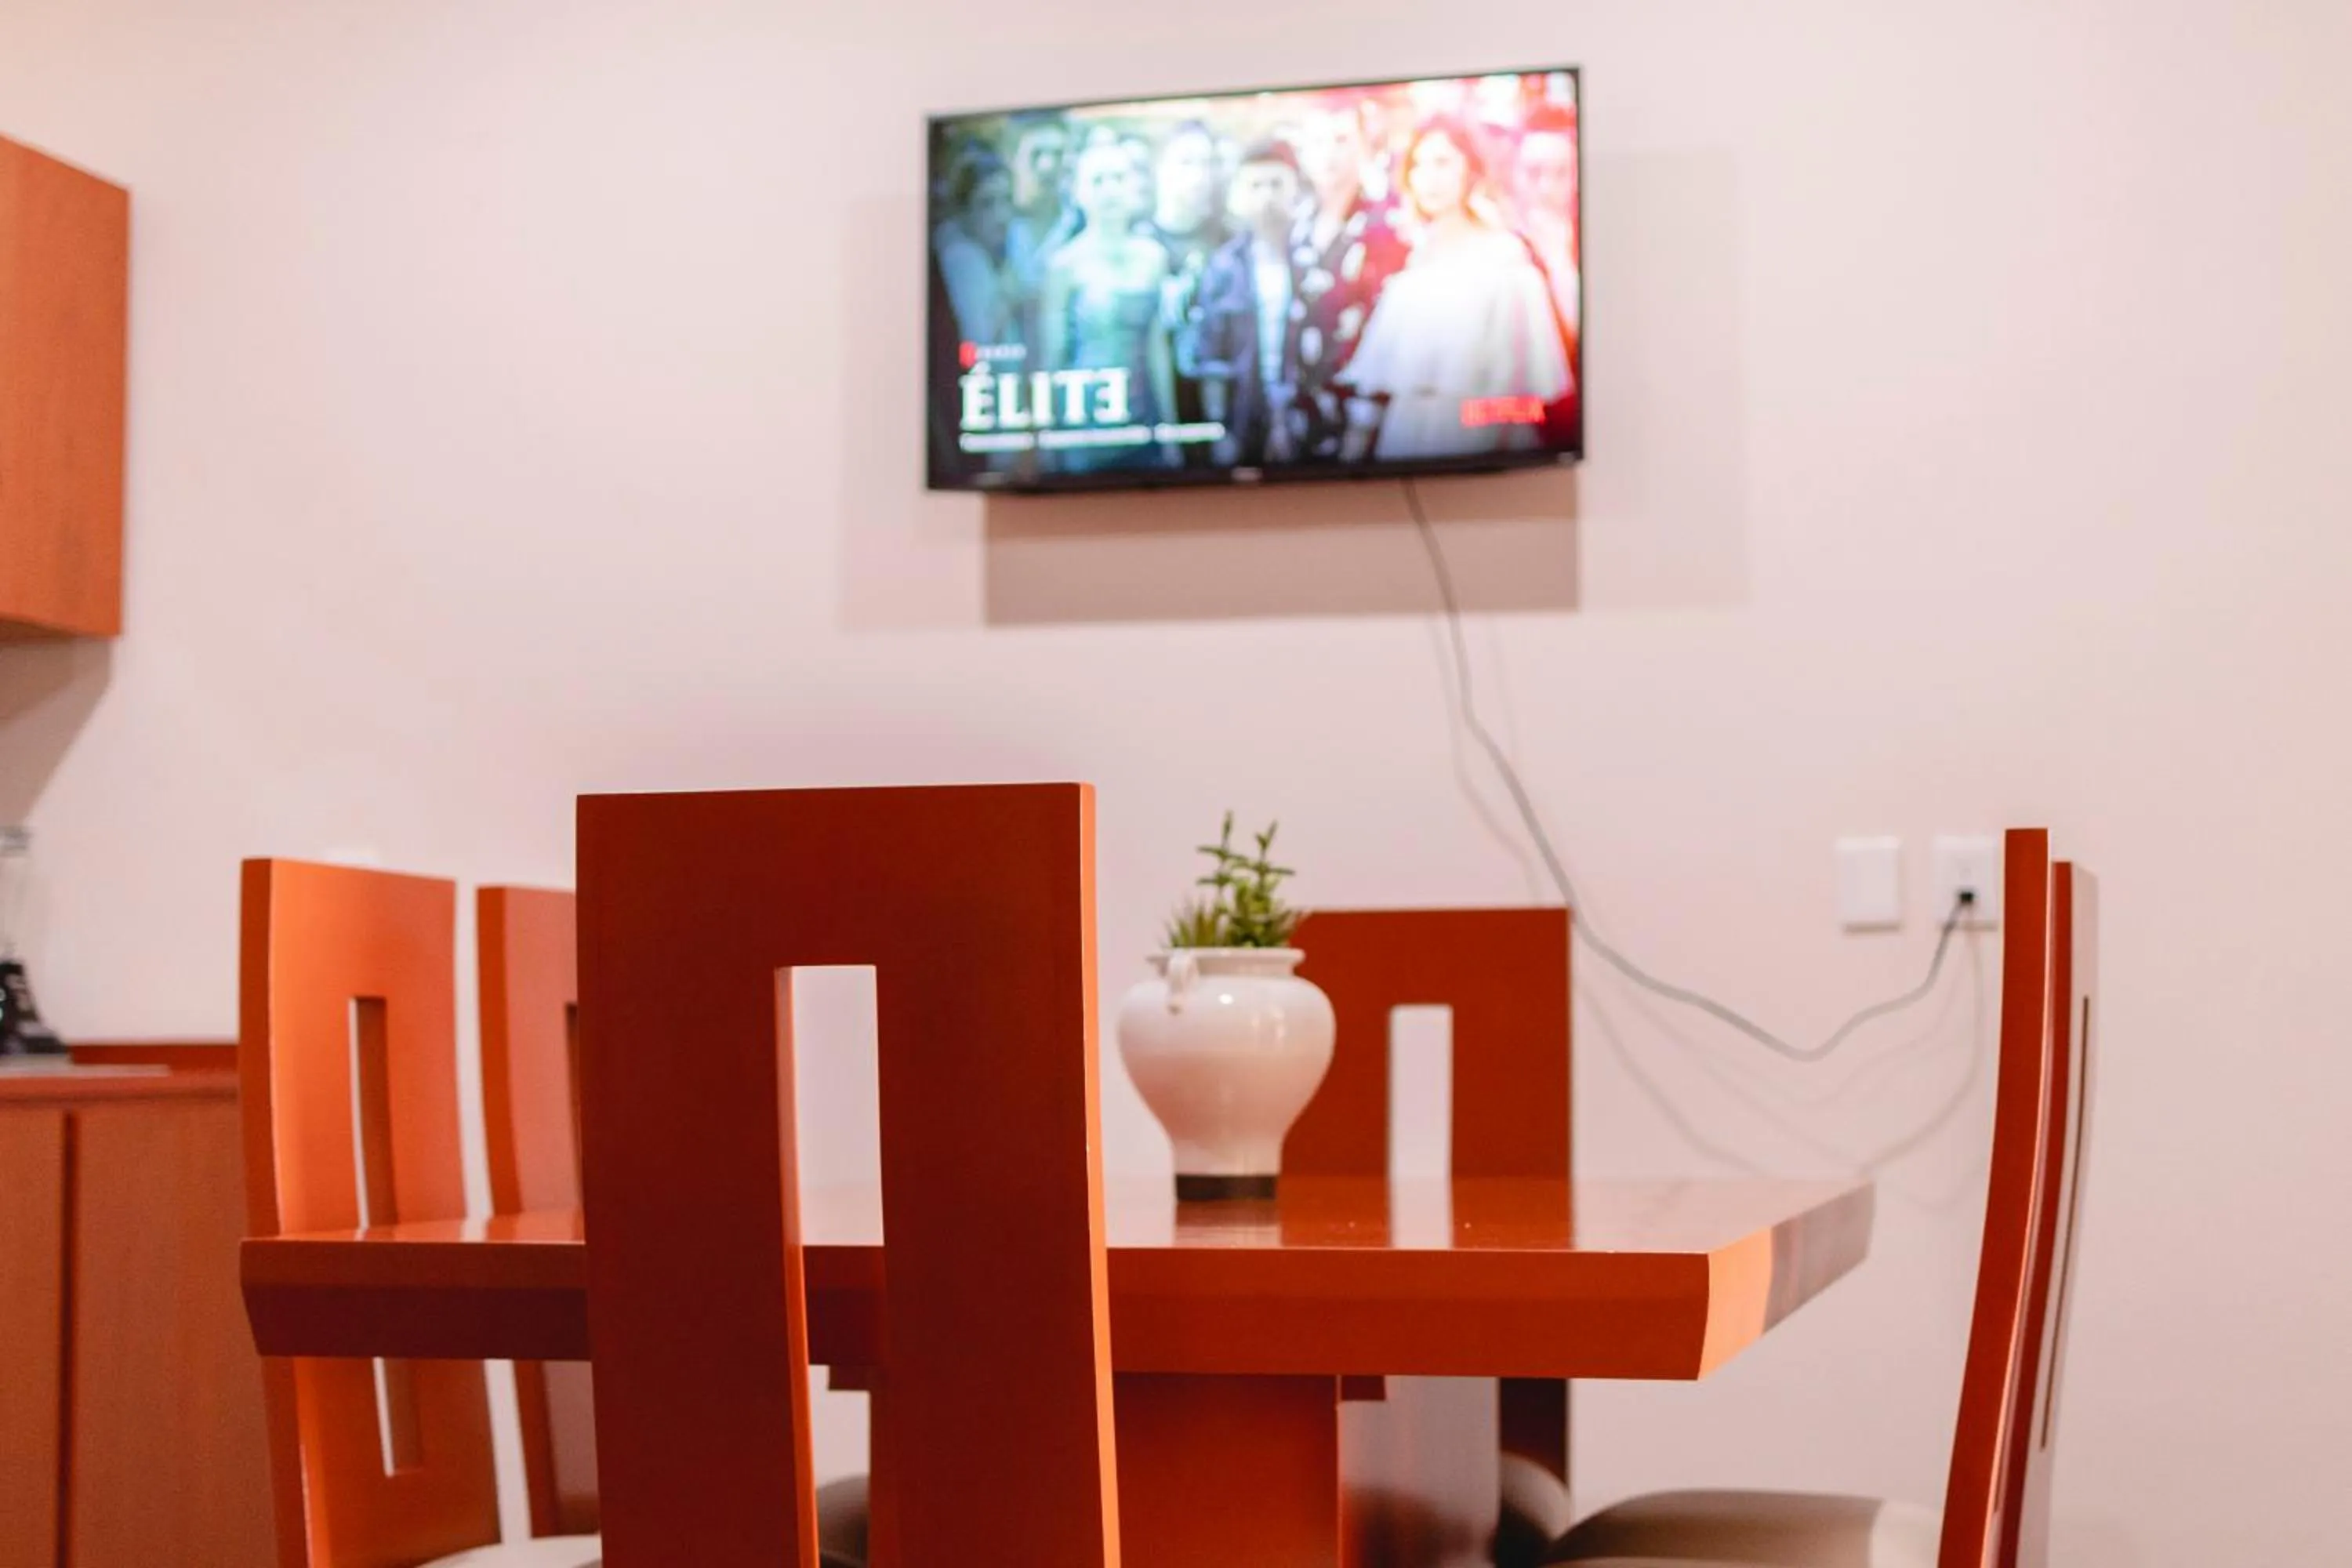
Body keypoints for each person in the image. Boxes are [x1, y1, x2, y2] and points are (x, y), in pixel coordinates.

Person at [1338, 116, 1573, 463]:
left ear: (1470, 171)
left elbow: (1517, 388)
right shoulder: (1408, 265)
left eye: (1443, 162)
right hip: (1405, 444)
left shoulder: (1503, 257)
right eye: (1419, 165)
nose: (1429, 178)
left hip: (1480, 444)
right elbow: (1375, 391)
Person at [1038, 138, 1178, 472]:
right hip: (1085, 429)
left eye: (1118, 178)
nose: (1110, 190)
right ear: (1078, 192)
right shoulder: (1064, 264)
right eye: (1098, 180)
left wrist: (1171, 433)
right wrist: (1043, 440)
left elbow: (1158, 351)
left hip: (1143, 425)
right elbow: (1052, 358)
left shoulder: (1154, 256)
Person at [1288, 96, 1411, 459]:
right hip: (1301, 425)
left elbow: (1393, 340)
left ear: (1363, 147)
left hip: (1366, 428)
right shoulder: (1297, 228)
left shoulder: (1388, 229)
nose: (1329, 155)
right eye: (1318, 142)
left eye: (1341, 140)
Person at [1182, 139, 1308, 466]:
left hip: (1305, 423)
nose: (1267, 197)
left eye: (1276, 185)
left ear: (1295, 190)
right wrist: (1219, 431)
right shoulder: (1223, 267)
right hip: (1243, 420)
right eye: (1256, 186)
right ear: (1240, 195)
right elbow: (1210, 357)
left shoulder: (1313, 261)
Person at [1510, 104, 1581, 361]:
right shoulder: (1500, 250)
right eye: (1534, 172)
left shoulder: (1592, 244)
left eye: (1561, 173)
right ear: (1514, 174)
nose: (1546, 188)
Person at [1004, 114, 1080, 347]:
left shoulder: (1083, 226)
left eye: (1058, 154)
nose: (1047, 166)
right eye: (1036, 154)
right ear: (1012, 159)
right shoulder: (994, 227)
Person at [931, 144, 1016, 344]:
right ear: (963, 211)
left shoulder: (1002, 250)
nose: (1002, 216)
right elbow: (979, 345)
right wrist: (1009, 299)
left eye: (1007, 200)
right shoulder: (962, 260)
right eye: (987, 204)